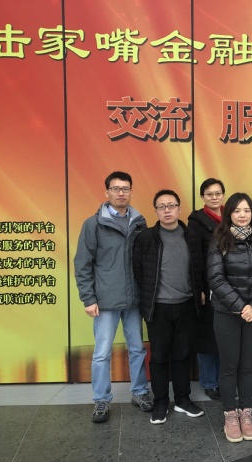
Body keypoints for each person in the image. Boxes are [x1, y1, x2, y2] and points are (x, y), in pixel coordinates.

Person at [74, 171, 152, 423]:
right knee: (102, 353)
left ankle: (139, 392)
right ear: (106, 192)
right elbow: (82, 263)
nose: (121, 193)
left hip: (134, 300)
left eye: (125, 189)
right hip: (105, 301)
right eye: (116, 189)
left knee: (137, 349)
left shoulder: (139, 222)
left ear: (131, 192)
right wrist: (88, 298)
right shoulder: (93, 224)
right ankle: (101, 400)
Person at [133, 189, 204, 424]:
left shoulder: (191, 235)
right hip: (158, 308)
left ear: (179, 209)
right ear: (155, 211)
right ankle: (161, 402)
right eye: (161, 206)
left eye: (171, 205)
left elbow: (199, 267)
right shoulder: (146, 238)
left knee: (183, 355)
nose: (167, 210)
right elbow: (138, 270)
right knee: (159, 357)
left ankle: (183, 400)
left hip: (186, 305)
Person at [208, 193, 252, 443]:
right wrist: (240, 305)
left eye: (246, 210)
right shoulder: (220, 239)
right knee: (229, 366)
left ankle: (246, 413)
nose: (242, 215)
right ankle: (230, 415)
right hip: (227, 313)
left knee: (247, 366)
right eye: (237, 211)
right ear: (229, 214)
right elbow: (215, 278)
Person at [187, 178, 225, 401]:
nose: (214, 197)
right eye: (209, 194)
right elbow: (195, 258)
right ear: (202, 197)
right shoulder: (196, 222)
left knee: (225, 336)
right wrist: (199, 288)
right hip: (207, 288)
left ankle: (224, 380)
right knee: (207, 337)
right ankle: (210, 382)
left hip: (229, 288)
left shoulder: (231, 217)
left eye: (218, 193)